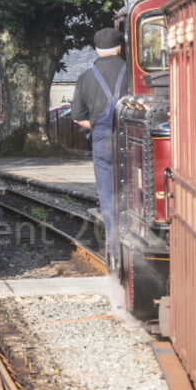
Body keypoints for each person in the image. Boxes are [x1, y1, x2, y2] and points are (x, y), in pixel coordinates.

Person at [71, 27, 127, 265]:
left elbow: (77, 116)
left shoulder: (86, 76)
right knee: (135, 192)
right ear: (120, 48)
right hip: (131, 140)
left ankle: (114, 247)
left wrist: (94, 126)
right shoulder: (132, 72)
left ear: (96, 50)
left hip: (102, 140)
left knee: (107, 193)